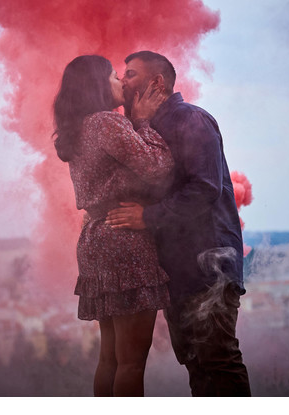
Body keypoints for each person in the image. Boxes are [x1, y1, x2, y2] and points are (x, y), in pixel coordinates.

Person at [106, 51, 252, 396]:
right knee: (197, 363)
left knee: (217, 359)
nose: (122, 81)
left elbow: (205, 188)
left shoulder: (190, 119)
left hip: (208, 266)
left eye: (130, 74)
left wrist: (147, 217)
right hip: (179, 270)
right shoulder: (146, 128)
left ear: (157, 82)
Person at [53, 54, 174, 396]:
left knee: (109, 358)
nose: (121, 82)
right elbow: (158, 167)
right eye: (113, 76)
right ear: (96, 85)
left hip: (95, 239)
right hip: (125, 241)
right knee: (132, 361)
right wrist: (144, 122)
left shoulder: (78, 129)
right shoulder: (107, 123)